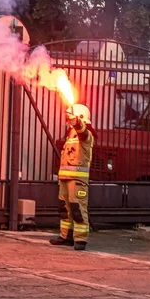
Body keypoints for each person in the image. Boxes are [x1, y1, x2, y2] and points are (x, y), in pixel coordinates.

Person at [51, 103, 94, 251]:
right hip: (65, 178)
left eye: (71, 118)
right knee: (64, 209)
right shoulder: (71, 135)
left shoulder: (86, 135)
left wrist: (77, 122)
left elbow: (83, 132)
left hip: (77, 180)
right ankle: (66, 237)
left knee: (78, 209)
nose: (68, 121)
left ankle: (81, 239)